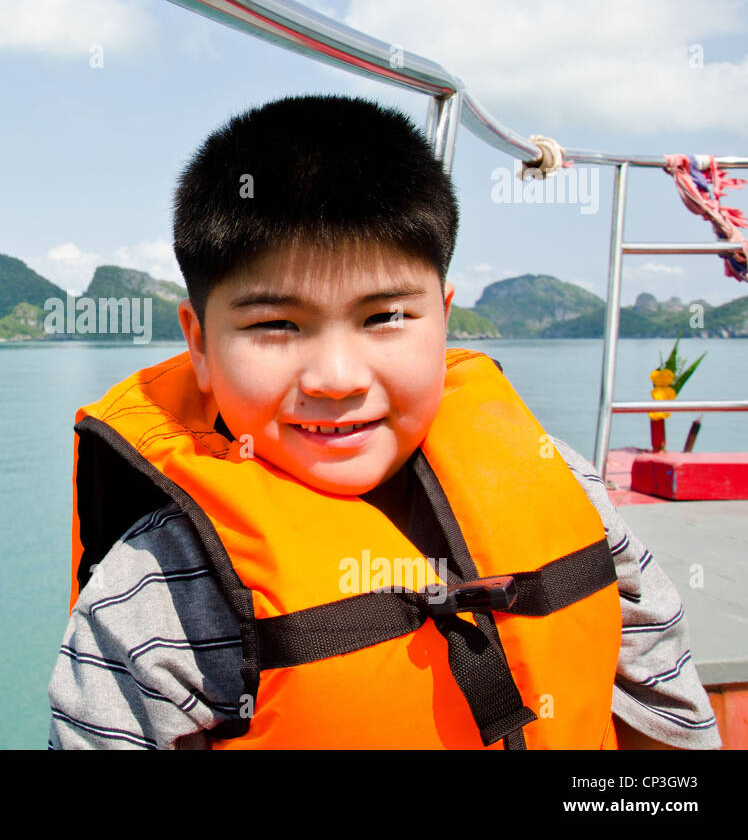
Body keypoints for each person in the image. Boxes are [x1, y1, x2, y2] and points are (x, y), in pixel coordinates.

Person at [47, 94, 722, 750]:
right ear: (198, 345)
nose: (337, 377)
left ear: (445, 317)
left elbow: (669, 714)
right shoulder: (151, 595)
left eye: (386, 317)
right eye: (276, 325)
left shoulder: (565, 483)